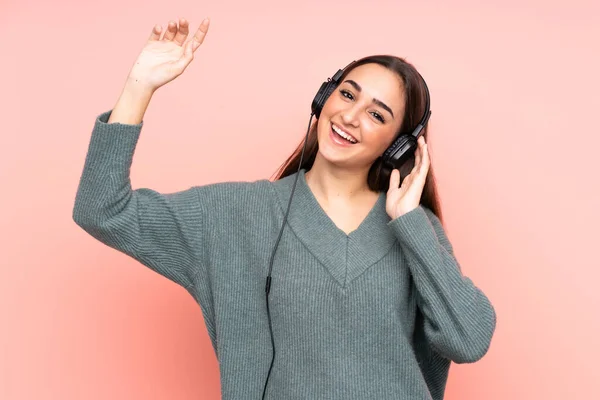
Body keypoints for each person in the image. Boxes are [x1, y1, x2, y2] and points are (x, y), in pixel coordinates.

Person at [73, 17, 496, 400]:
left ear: (398, 144)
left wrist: (409, 224)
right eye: (347, 94)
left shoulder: (415, 232)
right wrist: (138, 87)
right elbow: (102, 210)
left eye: (376, 114)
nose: (349, 116)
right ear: (323, 98)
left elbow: (468, 340)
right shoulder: (234, 214)